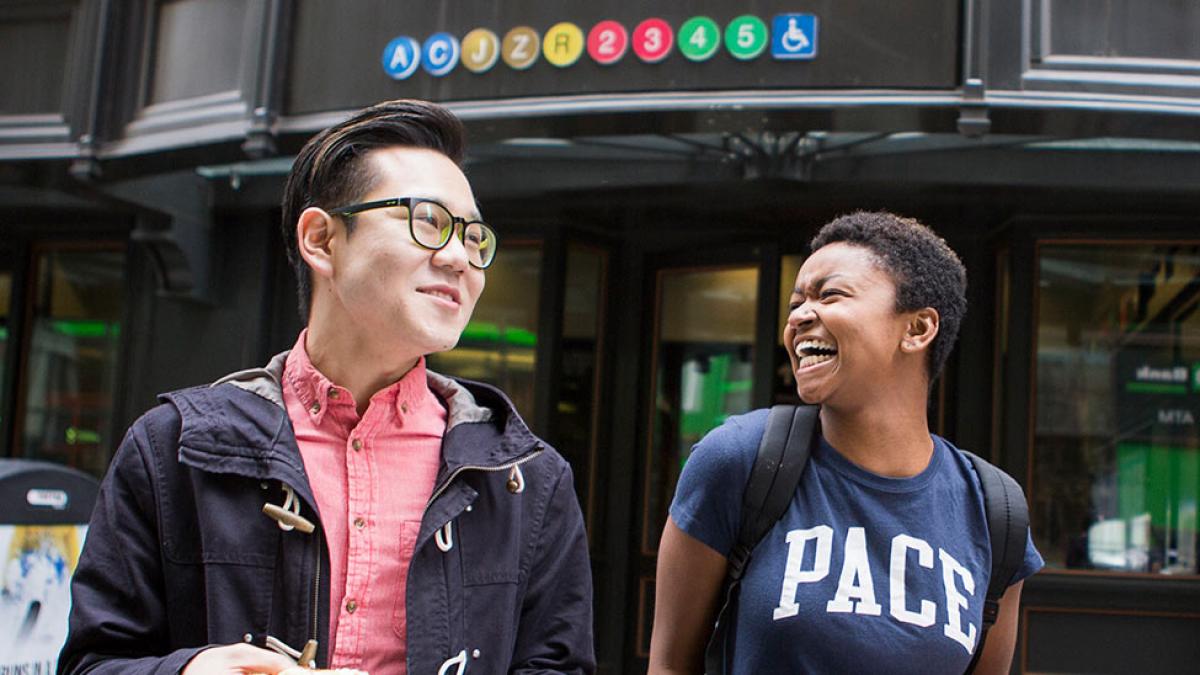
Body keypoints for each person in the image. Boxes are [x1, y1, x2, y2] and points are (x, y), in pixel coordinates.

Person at [58, 99, 595, 675]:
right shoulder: (173, 449)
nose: (460, 257)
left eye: (474, 235)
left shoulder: (525, 479)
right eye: (429, 222)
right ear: (320, 240)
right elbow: (94, 662)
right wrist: (192, 672)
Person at [648, 212, 1042, 674]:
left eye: (829, 295)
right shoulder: (740, 460)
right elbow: (671, 665)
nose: (798, 317)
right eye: (796, 303)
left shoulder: (997, 513)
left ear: (917, 329)